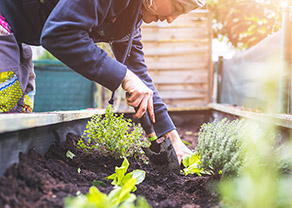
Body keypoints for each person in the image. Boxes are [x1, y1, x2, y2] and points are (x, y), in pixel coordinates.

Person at [0, 0, 205, 163]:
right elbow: (59, 34)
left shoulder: (131, 17)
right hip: (4, 18)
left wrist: (173, 138)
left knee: (19, 115)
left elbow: (140, 78)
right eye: (176, 7)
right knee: (4, 106)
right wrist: (124, 76)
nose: (172, 19)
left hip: (19, 33)